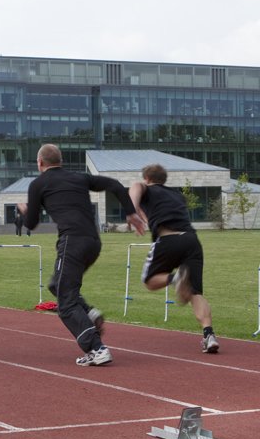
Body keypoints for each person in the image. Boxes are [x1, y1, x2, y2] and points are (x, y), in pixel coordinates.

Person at [17, 144, 146, 366]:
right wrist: (130, 212)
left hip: (72, 241)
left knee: (65, 303)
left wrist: (25, 211)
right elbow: (114, 185)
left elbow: (32, 223)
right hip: (93, 242)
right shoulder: (79, 178)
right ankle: (90, 314)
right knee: (57, 285)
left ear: (40, 163)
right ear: (61, 161)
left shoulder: (38, 184)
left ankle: (96, 349)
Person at [129, 163, 219, 354]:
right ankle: (209, 335)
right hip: (191, 241)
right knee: (195, 292)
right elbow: (158, 211)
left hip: (168, 240)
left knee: (149, 281)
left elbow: (136, 187)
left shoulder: (146, 188)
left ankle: (176, 278)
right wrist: (145, 217)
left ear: (147, 178)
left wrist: (133, 209)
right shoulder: (176, 195)